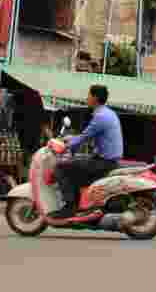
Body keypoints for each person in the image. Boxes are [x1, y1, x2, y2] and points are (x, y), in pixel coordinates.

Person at [50, 85, 123, 219]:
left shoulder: (100, 117)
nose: (87, 98)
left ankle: (69, 208)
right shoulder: (107, 113)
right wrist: (71, 139)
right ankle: (78, 206)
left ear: (95, 98)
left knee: (60, 167)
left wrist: (64, 147)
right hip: (107, 160)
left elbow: (84, 137)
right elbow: (87, 135)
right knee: (75, 164)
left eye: (89, 95)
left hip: (103, 163)